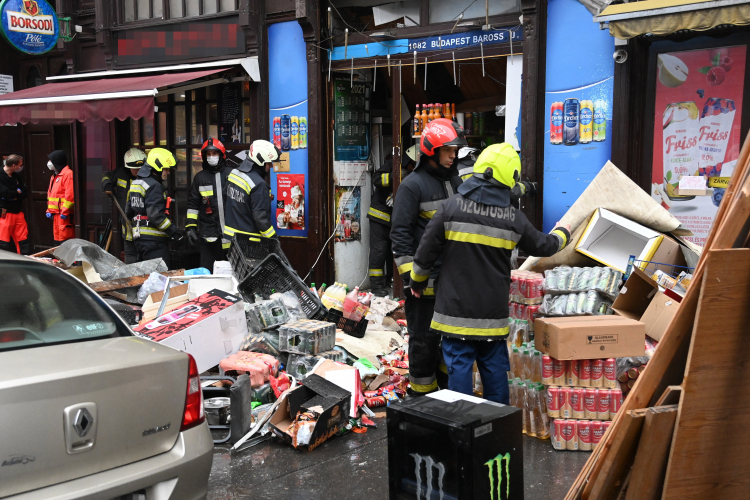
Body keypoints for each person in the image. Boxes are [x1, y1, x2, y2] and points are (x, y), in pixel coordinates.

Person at [409, 143, 571, 403]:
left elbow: (425, 252)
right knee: (495, 372)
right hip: (491, 318)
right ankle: (497, 430)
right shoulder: (512, 218)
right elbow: (544, 245)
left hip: (454, 315)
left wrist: (416, 282)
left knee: (459, 373)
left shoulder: (451, 208)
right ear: (510, 177)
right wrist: (563, 232)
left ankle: (462, 432)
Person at [390, 118, 467, 396]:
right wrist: (413, 280)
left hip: (452, 286)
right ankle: (423, 399)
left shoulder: (456, 181)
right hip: (423, 289)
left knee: (452, 344)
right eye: (447, 150)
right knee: (424, 344)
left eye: (455, 150)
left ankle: (446, 395)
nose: (453, 155)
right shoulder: (413, 186)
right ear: (431, 151)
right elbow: (400, 235)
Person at [366, 145, 417, 297]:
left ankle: (390, 281)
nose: (414, 167)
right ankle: (376, 287)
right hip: (379, 217)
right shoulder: (393, 164)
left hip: (395, 220)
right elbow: (376, 179)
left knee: (392, 252)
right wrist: (394, 176)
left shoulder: (412, 175)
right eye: (413, 164)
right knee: (379, 252)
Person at [125, 148, 183, 267]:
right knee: (159, 279)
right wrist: (174, 231)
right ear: (157, 166)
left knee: (146, 278)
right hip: (155, 242)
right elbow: (155, 215)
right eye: (166, 169)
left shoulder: (136, 183)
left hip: (140, 241)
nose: (168, 172)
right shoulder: (154, 186)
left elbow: (128, 211)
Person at [186, 137, 232, 271]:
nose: (211, 157)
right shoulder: (200, 178)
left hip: (231, 236)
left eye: (215, 153)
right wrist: (190, 226)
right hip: (209, 236)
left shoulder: (232, 175)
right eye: (208, 154)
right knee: (207, 272)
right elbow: (193, 204)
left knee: (232, 275)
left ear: (221, 155)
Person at [224, 139, 280, 244]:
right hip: (251, 245)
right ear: (260, 161)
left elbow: (228, 201)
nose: (271, 166)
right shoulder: (259, 184)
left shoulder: (234, 174)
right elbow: (261, 220)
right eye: (269, 163)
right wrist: (274, 239)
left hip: (230, 241)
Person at [101, 148, 146, 263]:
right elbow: (105, 176)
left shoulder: (147, 178)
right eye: (134, 168)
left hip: (143, 224)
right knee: (130, 254)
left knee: (144, 257)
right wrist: (107, 185)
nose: (138, 170)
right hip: (127, 223)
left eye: (140, 167)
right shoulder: (120, 174)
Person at [0, 154, 29, 254]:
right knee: (3, 242)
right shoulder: (0, 176)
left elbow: (25, 192)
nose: (21, 167)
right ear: (14, 165)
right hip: (5, 214)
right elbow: (5, 194)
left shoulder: (17, 176)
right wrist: (16, 192)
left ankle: (25, 262)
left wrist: (13, 195)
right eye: (20, 165)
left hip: (17, 212)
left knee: (23, 241)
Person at [46, 150, 75, 244]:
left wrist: (65, 211)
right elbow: (51, 196)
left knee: (66, 242)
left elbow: (70, 196)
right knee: (57, 242)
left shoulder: (68, 174)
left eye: (51, 160)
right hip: (56, 215)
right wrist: (49, 210)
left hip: (65, 216)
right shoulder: (55, 176)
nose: (49, 163)